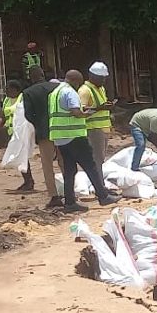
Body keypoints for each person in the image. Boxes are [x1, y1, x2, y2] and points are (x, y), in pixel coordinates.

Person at [49, 69, 121, 212]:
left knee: (70, 170)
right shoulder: (70, 92)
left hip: (60, 138)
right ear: (75, 81)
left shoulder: (55, 93)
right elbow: (76, 112)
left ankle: (69, 203)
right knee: (91, 166)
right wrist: (86, 114)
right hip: (74, 136)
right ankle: (103, 196)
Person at [21, 66, 63, 207]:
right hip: (62, 130)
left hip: (44, 133)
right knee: (65, 162)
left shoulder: (28, 92)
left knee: (47, 165)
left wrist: (39, 125)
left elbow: (28, 115)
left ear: (31, 77)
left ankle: (54, 196)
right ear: (43, 74)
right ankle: (70, 193)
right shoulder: (57, 87)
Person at [0, 80, 34, 191]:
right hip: (13, 133)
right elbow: (3, 117)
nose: (6, 91)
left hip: (23, 132)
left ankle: (29, 181)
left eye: (8, 89)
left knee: (21, 156)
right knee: (19, 156)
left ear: (16, 89)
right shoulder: (6, 100)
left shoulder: (23, 98)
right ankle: (28, 180)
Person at [79, 62, 112, 174]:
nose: (103, 81)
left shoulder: (101, 88)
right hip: (93, 129)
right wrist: (99, 108)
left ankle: (99, 183)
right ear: (92, 76)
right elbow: (81, 110)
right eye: (101, 78)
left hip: (103, 128)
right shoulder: (85, 90)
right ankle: (99, 185)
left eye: (104, 78)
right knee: (97, 159)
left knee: (100, 158)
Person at [129, 106, 157, 171]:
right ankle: (134, 168)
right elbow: (155, 136)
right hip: (138, 125)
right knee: (141, 145)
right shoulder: (156, 118)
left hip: (149, 127)